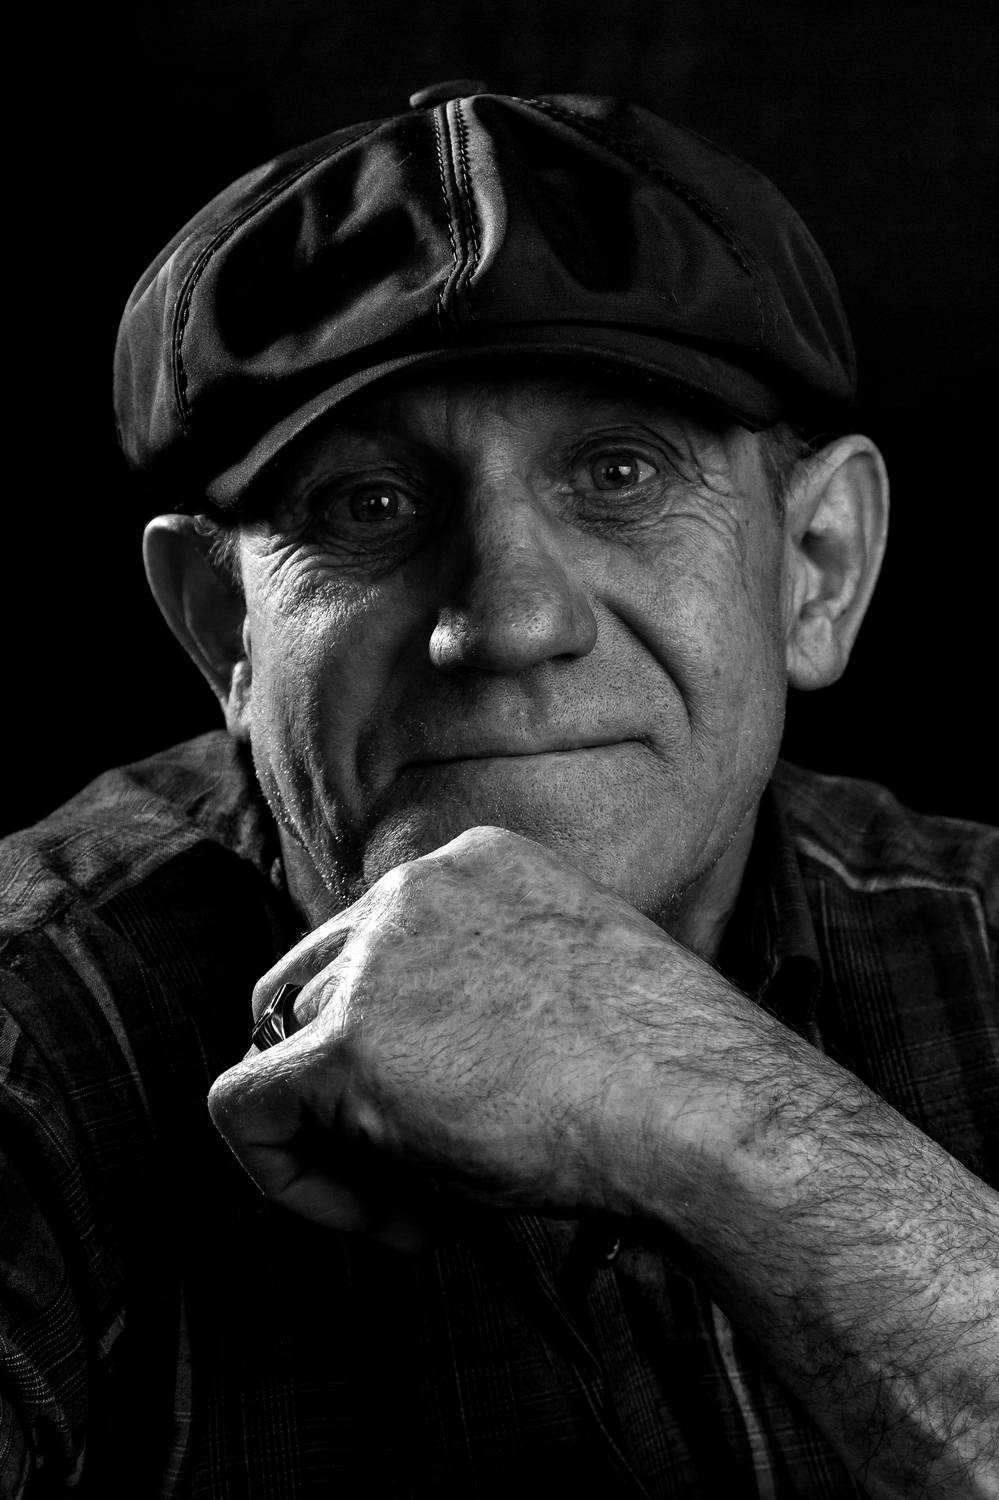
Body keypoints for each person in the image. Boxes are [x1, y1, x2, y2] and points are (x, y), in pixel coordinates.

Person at [2, 81, 996, 1498]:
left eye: (619, 473)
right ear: (225, 631)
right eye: (370, 505)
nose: (510, 621)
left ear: (817, 568)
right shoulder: (32, 1038)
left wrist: (727, 1111)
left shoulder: (981, 938)